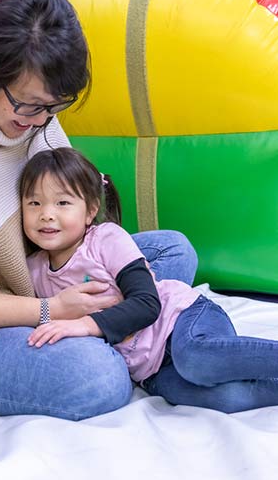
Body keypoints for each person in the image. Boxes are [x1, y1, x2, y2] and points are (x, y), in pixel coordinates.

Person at [0, 0, 198, 420]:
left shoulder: (30, 112)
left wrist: (80, 293)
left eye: (52, 108)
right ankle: (115, 337)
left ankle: (106, 329)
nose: (38, 121)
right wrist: (49, 310)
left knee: (174, 250)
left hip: (42, 278)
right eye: (29, 106)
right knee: (98, 379)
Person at [22, 147, 278, 413]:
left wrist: (87, 325)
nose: (47, 214)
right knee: (225, 398)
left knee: (196, 359)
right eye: (34, 203)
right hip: (150, 370)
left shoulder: (105, 239)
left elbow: (147, 303)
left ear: (90, 211)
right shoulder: (33, 272)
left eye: (62, 203)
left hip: (181, 320)